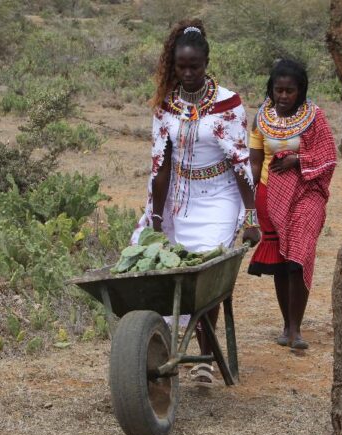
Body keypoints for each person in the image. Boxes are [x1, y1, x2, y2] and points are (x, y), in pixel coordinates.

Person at [132, 19, 259, 385]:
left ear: (207, 63)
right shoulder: (165, 105)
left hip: (220, 197)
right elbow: (161, 164)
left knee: (206, 274)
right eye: (181, 67)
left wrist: (251, 217)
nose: (187, 73)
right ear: (173, 65)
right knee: (174, 274)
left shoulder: (228, 104)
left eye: (195, 66)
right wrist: (156, 218)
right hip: (180, 200)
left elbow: (240, 163)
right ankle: (172, 345)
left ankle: (204, 357)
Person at [247, 59, 337, 350]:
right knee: (281, 262)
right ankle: (286, 324)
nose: (284, 96)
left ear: (301, 91)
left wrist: (299, 160)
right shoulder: (261, 118)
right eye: (278, 90)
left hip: (307, 194)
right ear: (271, 90)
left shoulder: (315, 118)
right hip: (269, 195)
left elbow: (329, 155)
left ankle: (297, 329)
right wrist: (249, 208)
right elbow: (255, 161)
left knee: (299, 256)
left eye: (290, 91)